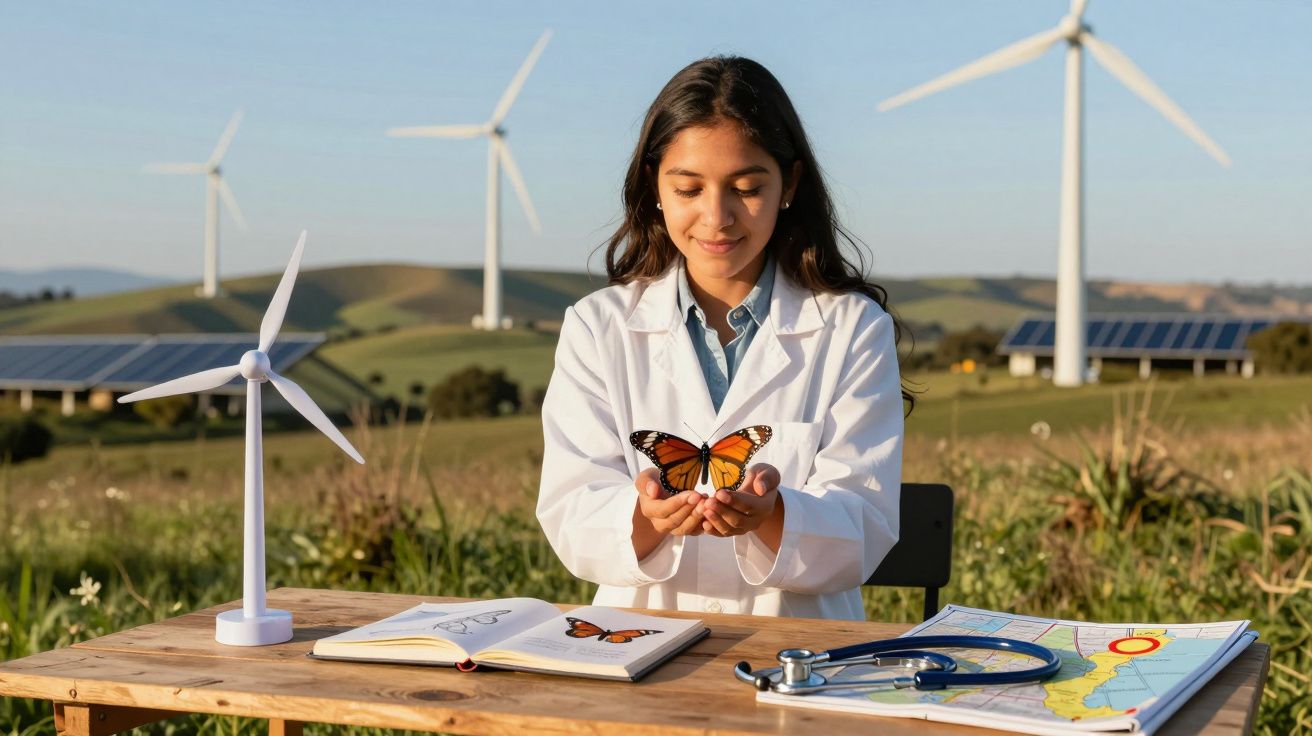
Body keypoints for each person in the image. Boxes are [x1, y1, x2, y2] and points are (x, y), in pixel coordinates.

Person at [536, 56, 910, 620]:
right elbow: (571, 509)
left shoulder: (852, 329)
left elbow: (866, 521)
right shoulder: (598, 326)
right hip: (638, 647)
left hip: (798, 658)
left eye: (746, 188)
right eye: (688, 189)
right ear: (653, 187)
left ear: (791, 185)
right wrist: (644, 517)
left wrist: (776, 514)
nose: (717, 216)